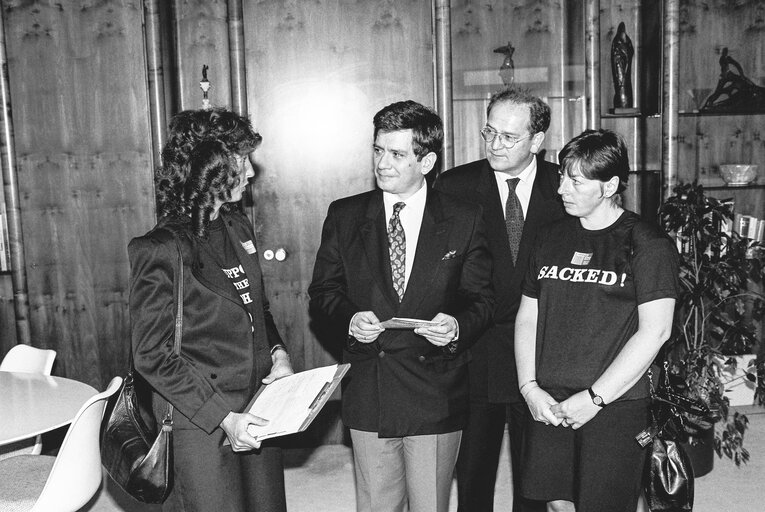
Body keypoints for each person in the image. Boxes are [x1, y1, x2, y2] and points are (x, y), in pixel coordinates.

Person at [308, 100, 494, 512]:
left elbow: (481, 299)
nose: (382, 163)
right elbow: (323, 293)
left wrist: (457, 326)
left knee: (430, 505)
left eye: (396, 154)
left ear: (426, 161)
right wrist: (349, 319)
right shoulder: (344, 215)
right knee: (377, 506)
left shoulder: (464, 218)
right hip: (370, 387)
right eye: (378, 150)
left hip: (434, 389)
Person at [129, 108, 294, 512]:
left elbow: (259, 310)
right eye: (242, 160)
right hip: (198, 418)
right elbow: (151, 355)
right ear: (212, 167)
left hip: (256, 405)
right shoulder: (160, 248)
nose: (251, 172)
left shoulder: (238, 227)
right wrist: (224, 417)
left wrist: (278, 354)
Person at [514, 129, 679, 512]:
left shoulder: (647, 243)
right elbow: (527, 314)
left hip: (614, 403)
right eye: (562, 177)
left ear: (610, 186)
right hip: (548, 400)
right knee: (557, 502)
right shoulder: (549, 236)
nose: (562, 190)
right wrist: (528, 387)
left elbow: (656, 331)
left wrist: (595, 398)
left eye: (576, 181)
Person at [435, 87, 565, 512]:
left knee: (536, 475)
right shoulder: (454, 186)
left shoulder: (565, 188)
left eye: (509, 136)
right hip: (475, 350)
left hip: (542, 351)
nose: (495, 144)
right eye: (489, 132)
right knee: (473, 472)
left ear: (538, 140)